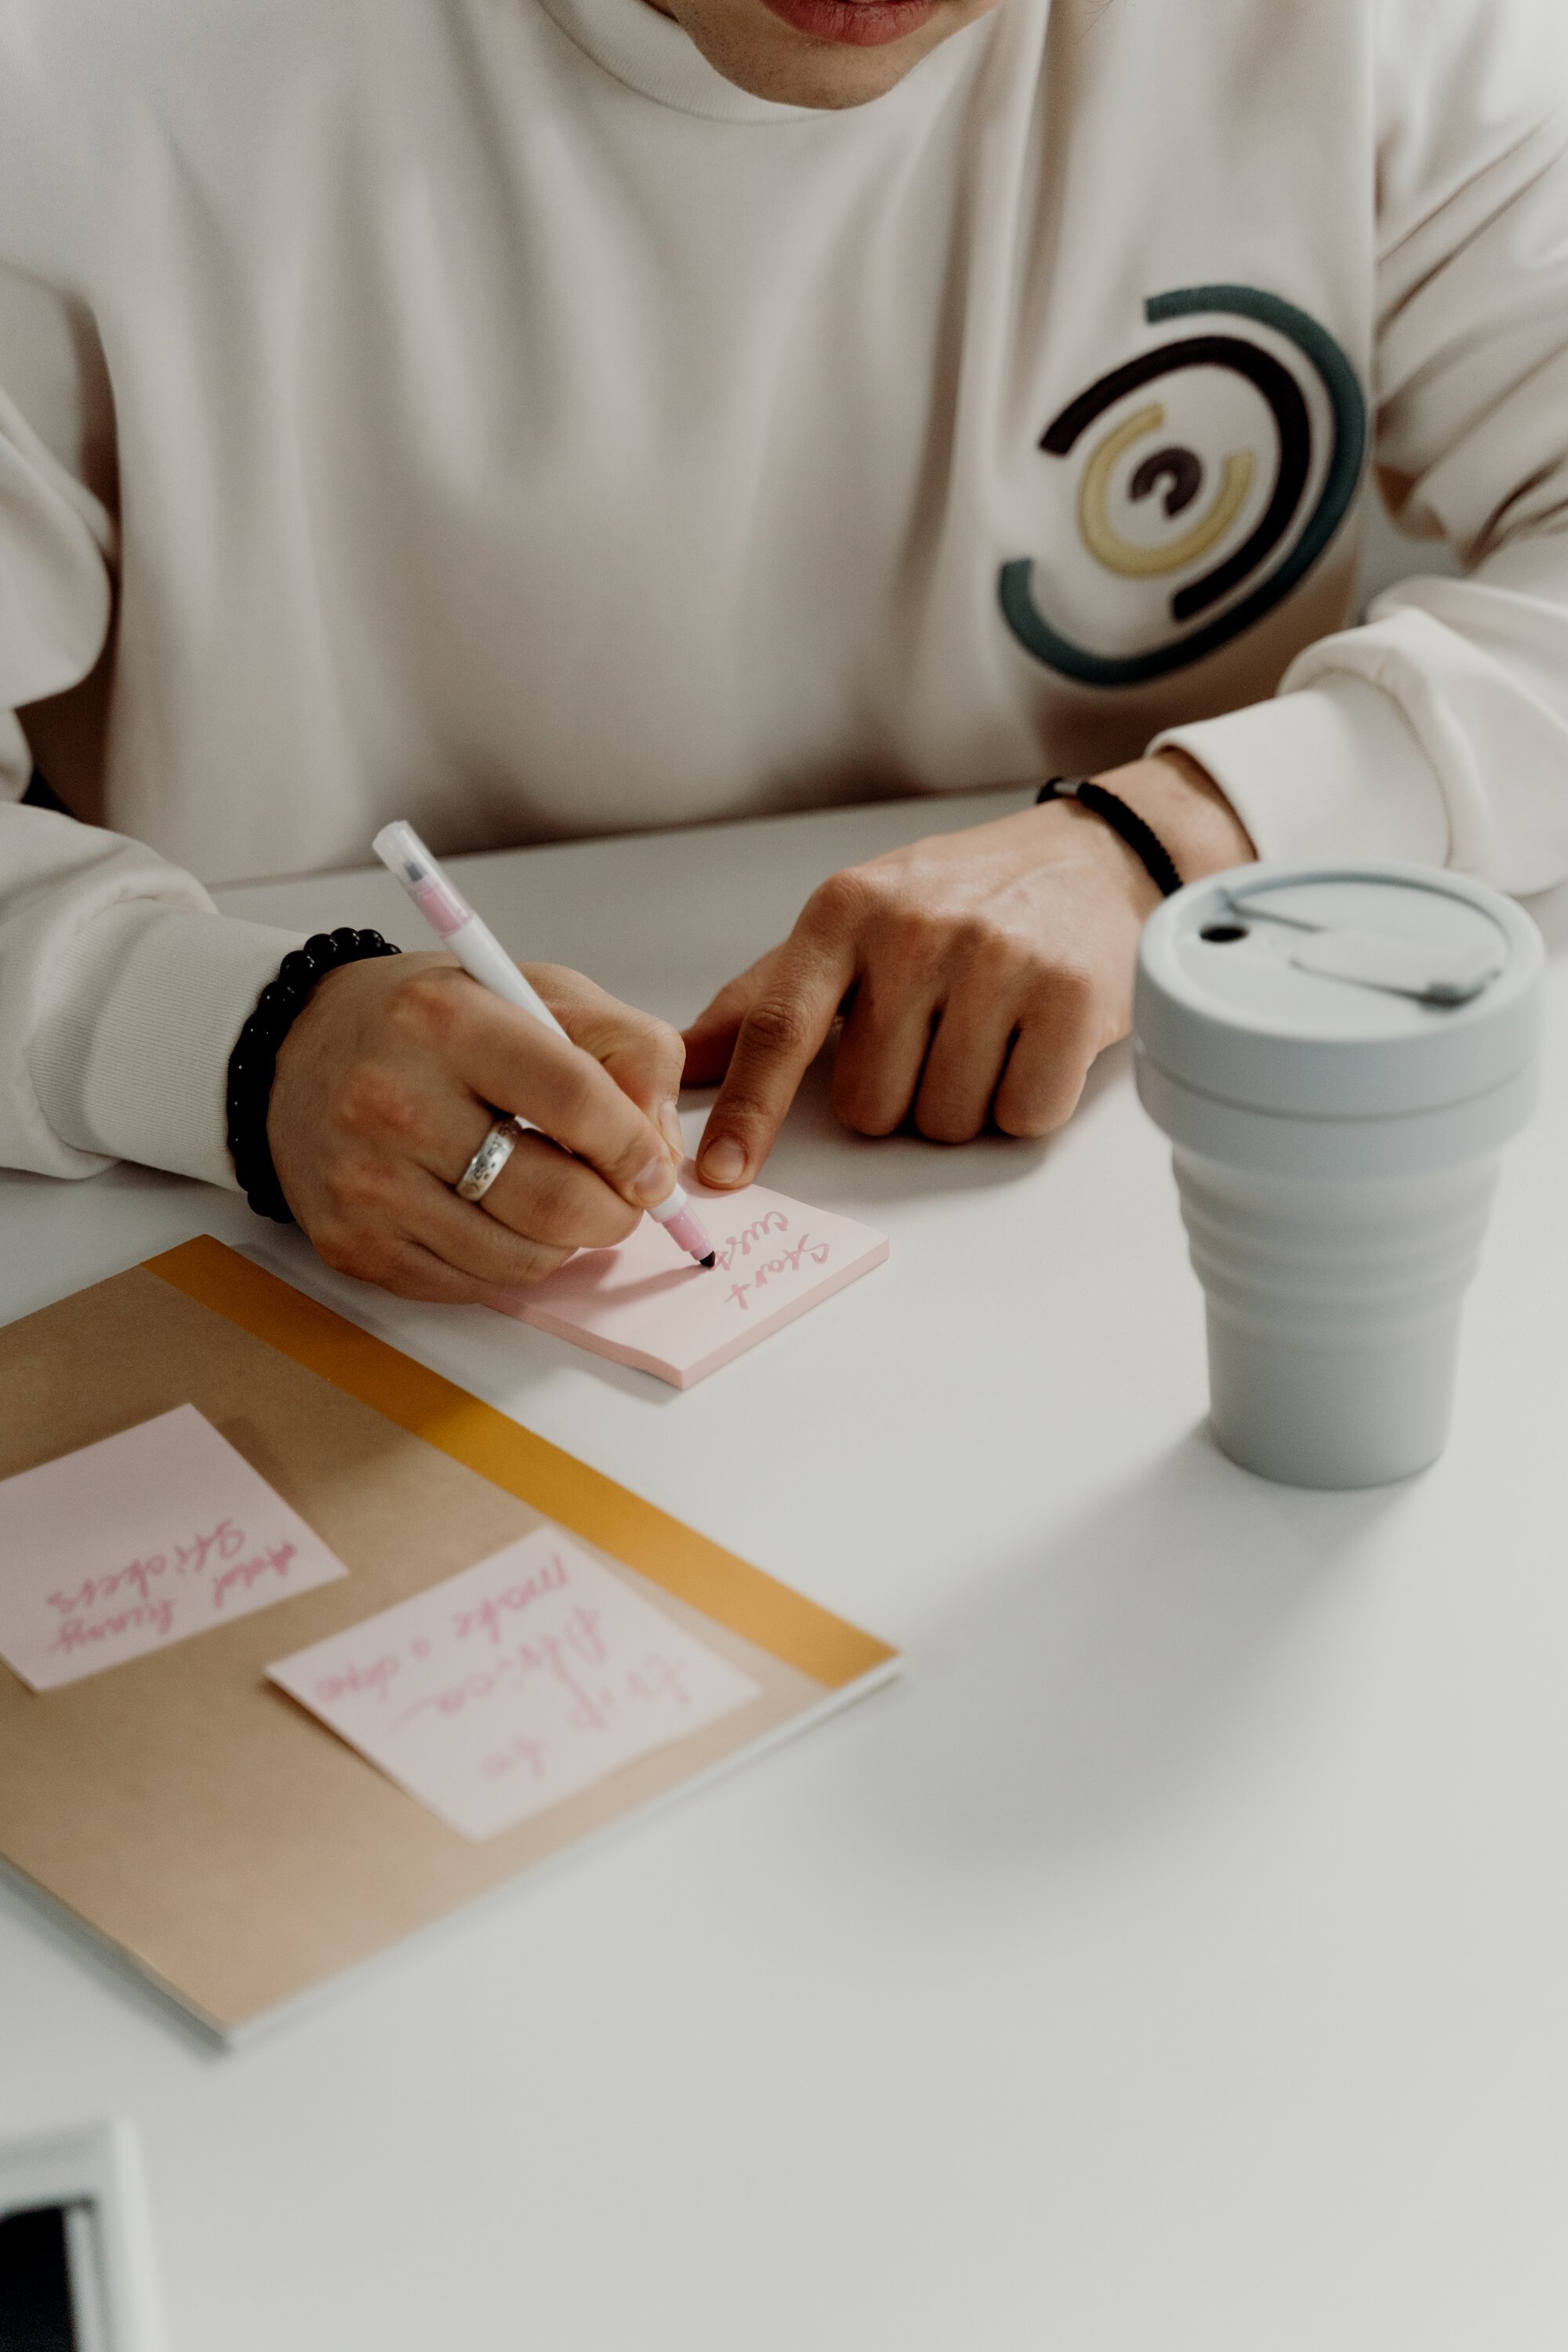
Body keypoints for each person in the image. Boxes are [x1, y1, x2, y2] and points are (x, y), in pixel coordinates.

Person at [1, 0, 1564, 1301]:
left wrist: (1189, 829)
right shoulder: (83, 80)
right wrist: (232, 1036)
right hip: (312, 1304)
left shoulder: (1374, 32)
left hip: (1111, 1265)